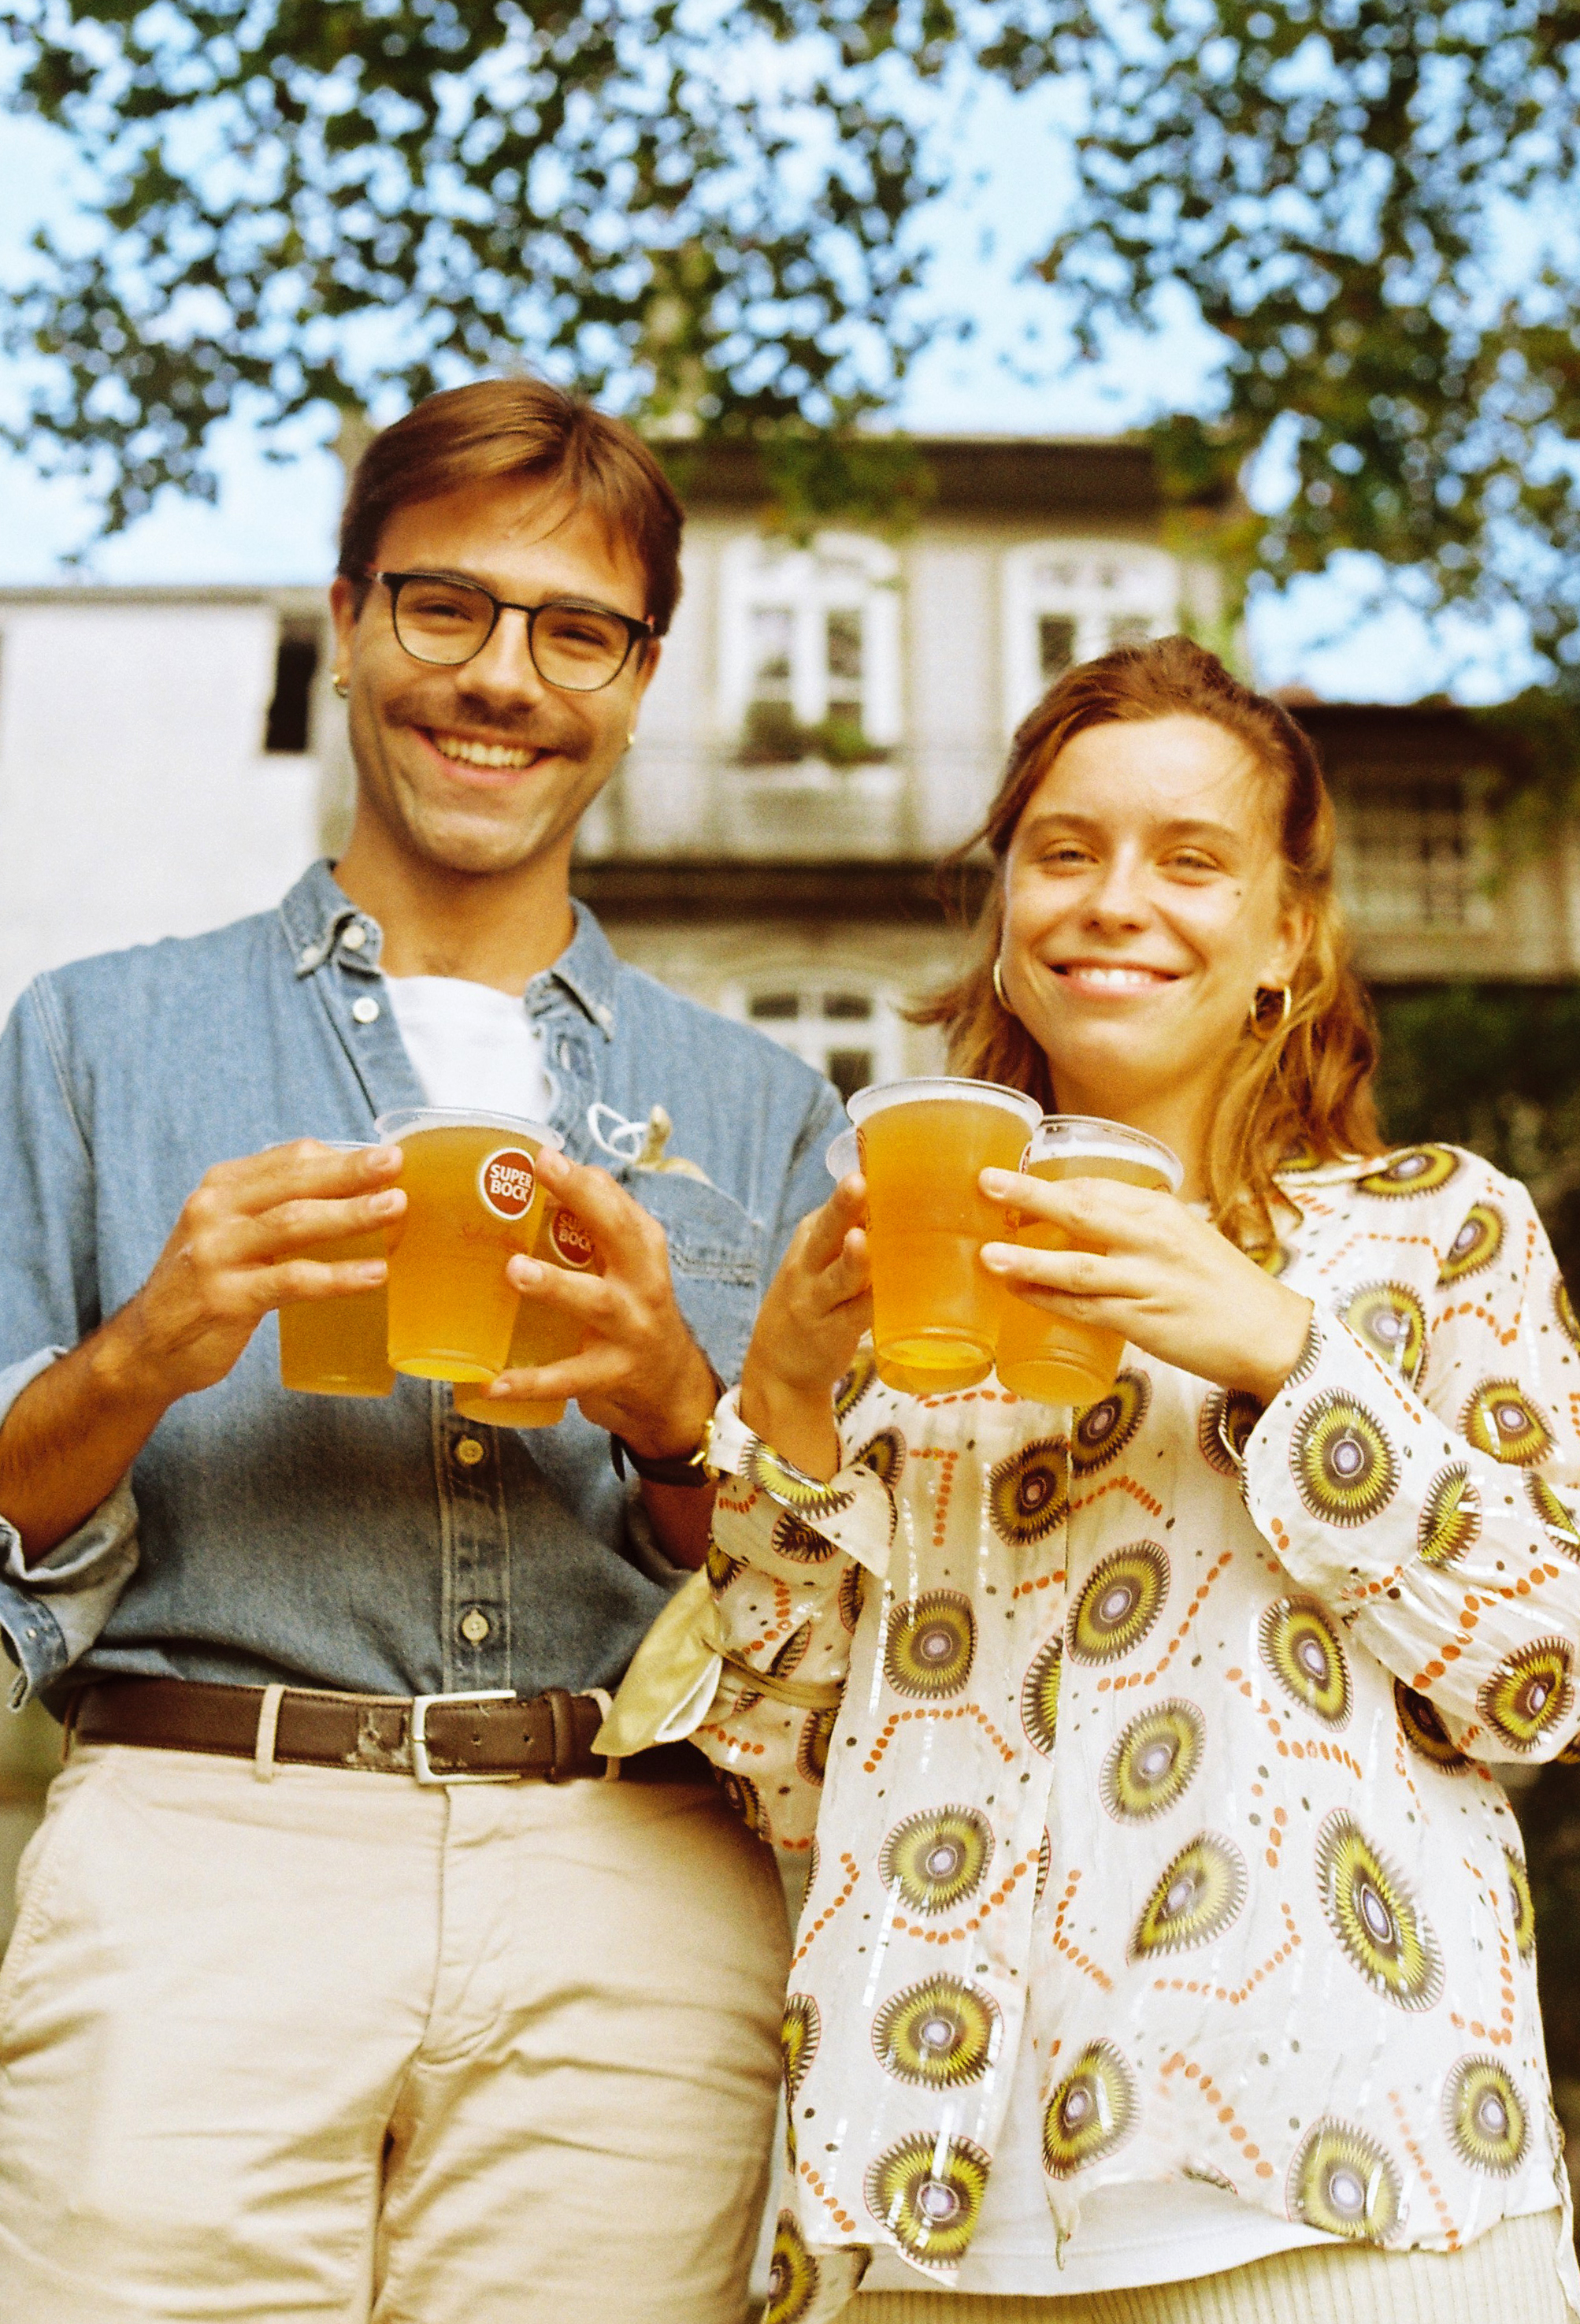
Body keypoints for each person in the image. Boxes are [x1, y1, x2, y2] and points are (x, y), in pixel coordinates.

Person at [615, 637, 1580, 2322]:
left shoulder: (1438, 1232)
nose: (1109, 899)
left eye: (1188, 856)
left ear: (1289, 933)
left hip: (1351, 2203)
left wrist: (1286, 1355)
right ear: (1005, 906)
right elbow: (781, 1779)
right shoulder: (895, 1296)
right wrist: (776, 1395)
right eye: (1060, 851)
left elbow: (1553, 1672)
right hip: (912, 2228)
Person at [0, 378, 847, 2324]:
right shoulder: (91, 1038)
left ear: (638, 680)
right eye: (446, 607)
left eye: (577, 630)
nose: (502, 680)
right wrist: (144, 1347)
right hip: (200, 1856)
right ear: (351, 620)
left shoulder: (766, 1104)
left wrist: (670, 1405)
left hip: (629, 1881)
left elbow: (805, 1589)